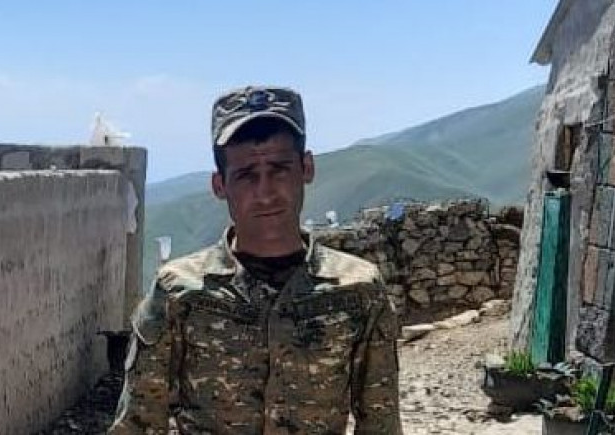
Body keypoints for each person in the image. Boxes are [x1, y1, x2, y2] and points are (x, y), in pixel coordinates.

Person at [109, 86, 401, 434]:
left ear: (306, 168)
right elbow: (137, 424)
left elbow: (381, 425)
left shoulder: (358, 291)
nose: (265, 193)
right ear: (220, 185)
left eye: (279, 169)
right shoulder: (179, 293)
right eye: (246, 175)